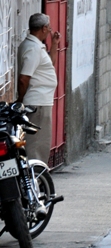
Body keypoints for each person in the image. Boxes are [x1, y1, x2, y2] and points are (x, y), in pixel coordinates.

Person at [16, 13, 60, 162]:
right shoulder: (33, 48)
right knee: (37, 145)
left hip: (41, 102)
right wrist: (21, 99)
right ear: (44, 28)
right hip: (37, 103)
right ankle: (36, 179)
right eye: (49, 28)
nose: (50, 31)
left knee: (40, 143)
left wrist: (54, 44)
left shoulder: (35, 46)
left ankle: (37, 177)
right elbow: (24, 78)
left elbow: (48, 65)